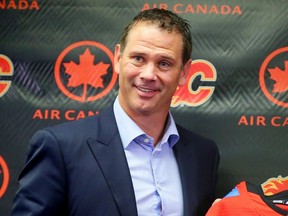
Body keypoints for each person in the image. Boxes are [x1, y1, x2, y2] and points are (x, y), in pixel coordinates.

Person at [11, 8, 220, 216]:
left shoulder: (204, 155)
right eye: (138, 58)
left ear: (184, 73)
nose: (148, 74)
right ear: (118, 58)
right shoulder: (60, 148)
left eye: (164, 63)